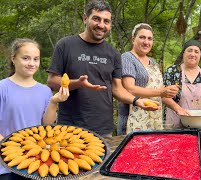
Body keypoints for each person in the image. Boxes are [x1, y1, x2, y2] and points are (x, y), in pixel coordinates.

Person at [46, 0, 159, 137]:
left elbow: (117, 89)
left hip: (103, 128)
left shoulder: (113, 53)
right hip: (69, 126)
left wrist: (137, 101)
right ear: (85, 18)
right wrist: (77, 83)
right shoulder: (65, 45)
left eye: (106, 21)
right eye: (96, 19)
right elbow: (52, 82)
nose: (101, 25)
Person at [0, 38, 69, 178]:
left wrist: (54, 102)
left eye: (36, 59)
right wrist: (9, 149)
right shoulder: (2, 88)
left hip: (37, 162)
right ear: (13, 59)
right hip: (7, 164)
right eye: (26, 58)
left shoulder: (44, 91)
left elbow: (47, 125)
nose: (32, 63)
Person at [118, 23, 179, 135]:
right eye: (142, 37)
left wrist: (171, 95)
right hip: (134, 119)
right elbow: (129, 88)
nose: (146, 42)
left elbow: (160, 92)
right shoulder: (127, 58)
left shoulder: (153, 61)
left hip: (154, 119)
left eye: (149, 39)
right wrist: (161, 92)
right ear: (133, 39)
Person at [162, 39, 201, 128]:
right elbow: (164, 95)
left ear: (200, 55)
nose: (193, 54)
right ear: (183, 53)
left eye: (196, 52)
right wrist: (179, 109)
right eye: (189, 50)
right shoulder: (173, 71)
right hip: (175, 123)